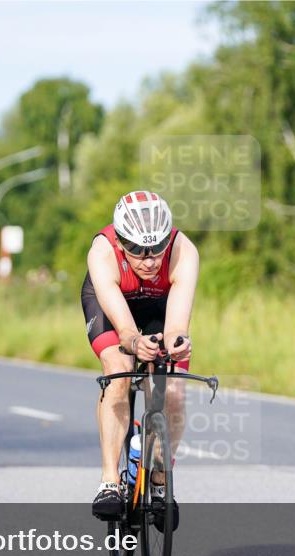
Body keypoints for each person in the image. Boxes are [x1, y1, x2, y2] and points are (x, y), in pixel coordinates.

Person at [81, 191, 198, 522]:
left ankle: (160, 480)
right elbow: (126, 333)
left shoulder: (184, 251)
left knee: (172, 391)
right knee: (119, 370)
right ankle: (109, 481)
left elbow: (176, 324)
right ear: (120, 242)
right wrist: (134, 343)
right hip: (114, 306)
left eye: (157, 248)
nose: (148, 260)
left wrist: (177, 343)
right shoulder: (102, 253)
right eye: (136, 250)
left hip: (159, 306)